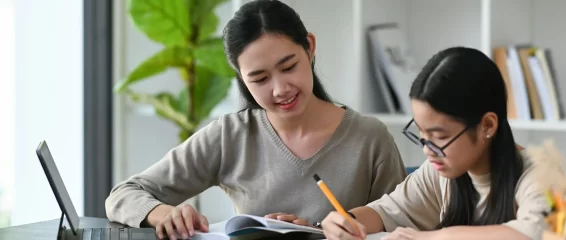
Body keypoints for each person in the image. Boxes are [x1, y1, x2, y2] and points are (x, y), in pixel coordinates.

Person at [105, 0, 407, 239]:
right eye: (259, 78)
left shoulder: (370, 138)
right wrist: (164, 214)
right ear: (241, 78)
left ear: (310, 47)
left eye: (289, 67)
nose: (280, 89)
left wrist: (312, 233)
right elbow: (123, 195)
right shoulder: (230, 136)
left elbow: (402, 228)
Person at [320, 46, 558, 240]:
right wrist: (346, 221)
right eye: (422, 134)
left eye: (440, 136)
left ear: (487, 125)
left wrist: (433, 237)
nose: (427, 150)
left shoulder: (539, 174)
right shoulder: (440, 173)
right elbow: (385, 212)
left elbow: (537, 233)